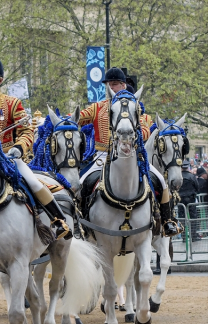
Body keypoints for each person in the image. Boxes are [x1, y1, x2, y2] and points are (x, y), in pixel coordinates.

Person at [78, 67, 182, 237]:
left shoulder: (135, 106)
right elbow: (78, 118)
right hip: (103, 156)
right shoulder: (97, 107)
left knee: (161, 183)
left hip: (132, 156)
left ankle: (167, 221)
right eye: (110, 85)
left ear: (124, 85)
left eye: (116, 84)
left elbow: (147, 127)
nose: (113, 87)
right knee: (80, 185)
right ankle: (80, 223)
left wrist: (135, 135)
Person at [0, 56, 71, 239]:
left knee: (34, 182)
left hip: (9, 159)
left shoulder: (12, 103)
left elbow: (26, 131)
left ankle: (58, 221)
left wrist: (19, 148)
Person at [179, 160, 199, 239]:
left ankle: (184, 237)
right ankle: (193, 236)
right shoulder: (192, 176)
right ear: (187, 167)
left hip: (180, 199)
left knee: (182, 218)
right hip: (191, 199)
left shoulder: (179, 176)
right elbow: (197, 187)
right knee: (193, 218)